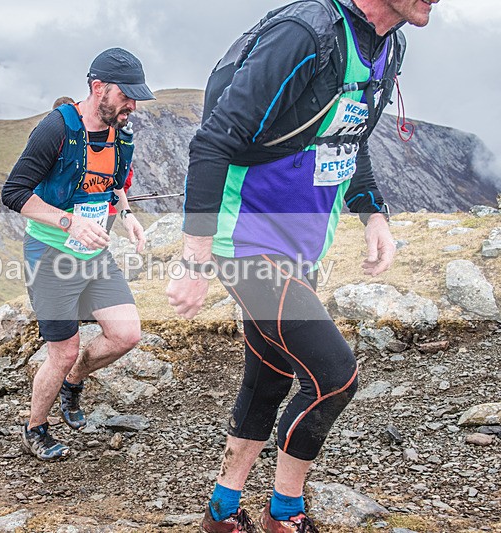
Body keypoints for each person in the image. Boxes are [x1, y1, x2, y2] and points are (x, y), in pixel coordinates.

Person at [166, 0, 437, 531]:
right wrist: (195, 258)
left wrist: (373, 214)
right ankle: (284, 515)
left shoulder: (388, 45)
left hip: (303, 244)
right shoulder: (303, 35)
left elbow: (348, 136)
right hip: (244, 240)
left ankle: (222, 513)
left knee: (269, 376)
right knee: (335, 376)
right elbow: (213, 142)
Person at [2, 48, 153, 461]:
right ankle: (35, 428)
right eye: (127, 96)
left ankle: (74, 381)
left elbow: (115, 184)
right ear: (98, 88)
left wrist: (127, 216)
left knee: (126, 335)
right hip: (50, 254)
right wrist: (69, 222)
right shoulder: (56, 128)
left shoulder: (122, 134)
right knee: (63, 350)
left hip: (95, 255)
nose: (133, 106)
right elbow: (14, 193)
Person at [51, 96, 135, 232]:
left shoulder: (91, 140)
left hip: (102, 209)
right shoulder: (95, 140)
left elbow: (120, 179)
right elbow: (122, 178)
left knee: (92, 246)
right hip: (105, 208)